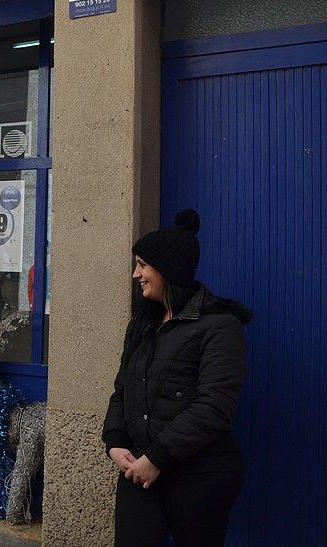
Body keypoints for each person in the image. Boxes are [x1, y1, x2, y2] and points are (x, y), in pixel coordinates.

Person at [102, 209, 252, 546]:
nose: (135, 274)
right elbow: (122, 390)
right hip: (138, 470)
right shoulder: (142, 324)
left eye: (142, 265)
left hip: (199, 475)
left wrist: (158, 457)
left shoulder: (219, 326)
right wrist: (115, 441)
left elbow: (214, 406)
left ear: (166, 270)